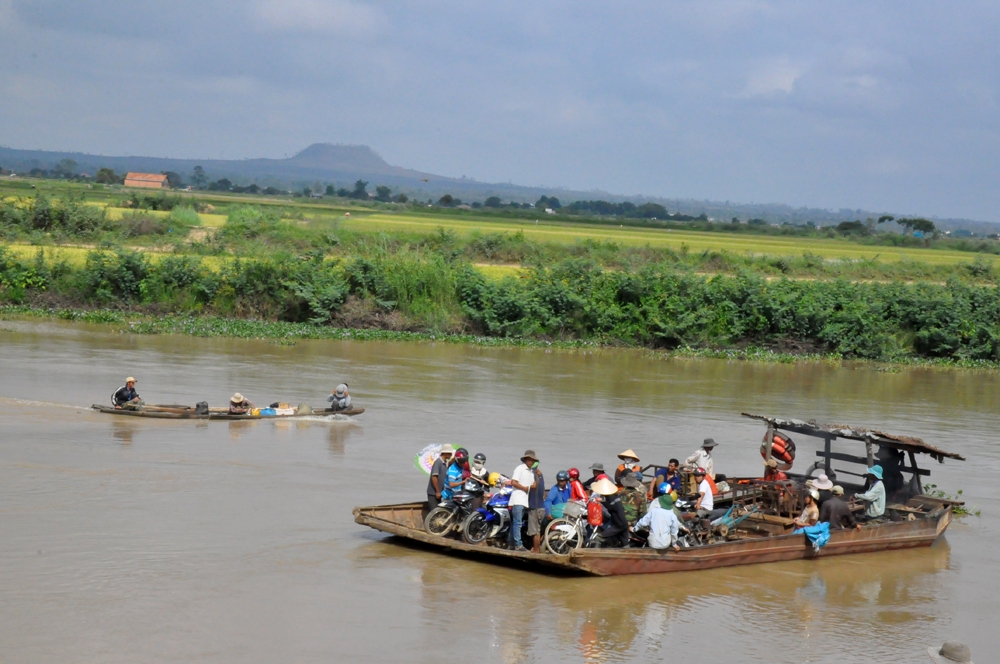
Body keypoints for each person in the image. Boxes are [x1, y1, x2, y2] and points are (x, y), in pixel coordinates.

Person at [508, 450, 537, 552]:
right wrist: (524, 488)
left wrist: (537, 477)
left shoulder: (531, 472)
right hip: (517, 499)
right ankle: (518, 545)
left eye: (532, 460)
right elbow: (513, 482)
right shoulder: (519, 468)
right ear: (525, 460)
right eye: (529, 460)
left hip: (524, 501)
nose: (531, 462)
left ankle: (511, 544)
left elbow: (534, 485)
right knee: (518, 523)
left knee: (515, 523)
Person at [592, 478, 629, 547]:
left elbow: (612, 508)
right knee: (625, 545)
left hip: (619, 524)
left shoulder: (611, 497)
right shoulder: (613, 496)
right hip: (622, 523)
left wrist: (602, 501)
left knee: (600, 536)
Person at [526, 458, 546, 554]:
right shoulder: (540, 474)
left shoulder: (531, 475)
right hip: (542, 507)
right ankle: (537, 549)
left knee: (534, 532)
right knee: (538, 531)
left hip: (534, 507)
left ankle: (536, 551)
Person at [426, 444, 454, 510]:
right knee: (434, 511)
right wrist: (438, 491)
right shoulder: (438, 462)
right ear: (445, 453)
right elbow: (434, 477)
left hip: (440, 493)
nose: (450, 455)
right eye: (450, 453)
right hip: (433, 493)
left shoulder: (444, 463)